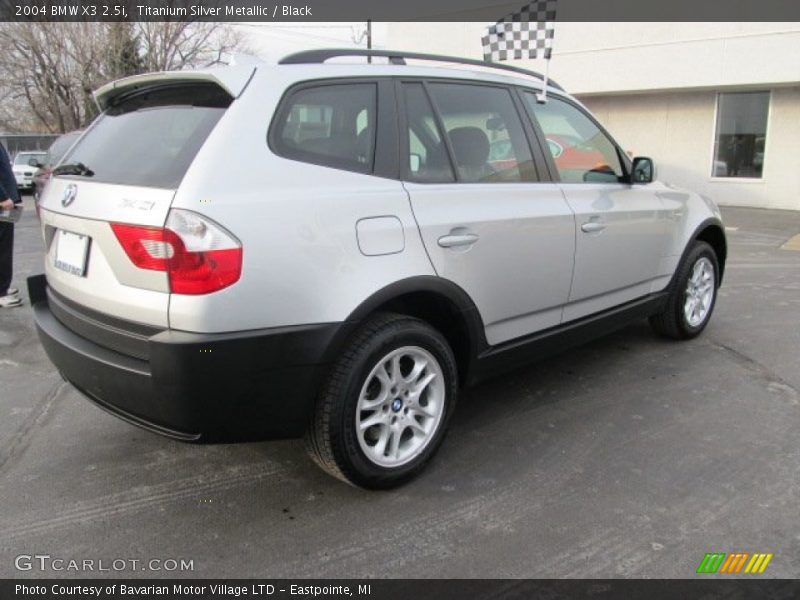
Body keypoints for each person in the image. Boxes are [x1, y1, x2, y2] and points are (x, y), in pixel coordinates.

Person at [0, 143, 22, 308]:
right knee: (2, 248)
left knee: (5, 246)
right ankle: (1, 292)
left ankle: (3, 287)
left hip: (6, 202)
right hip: (2, 203)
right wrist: (2, 197)